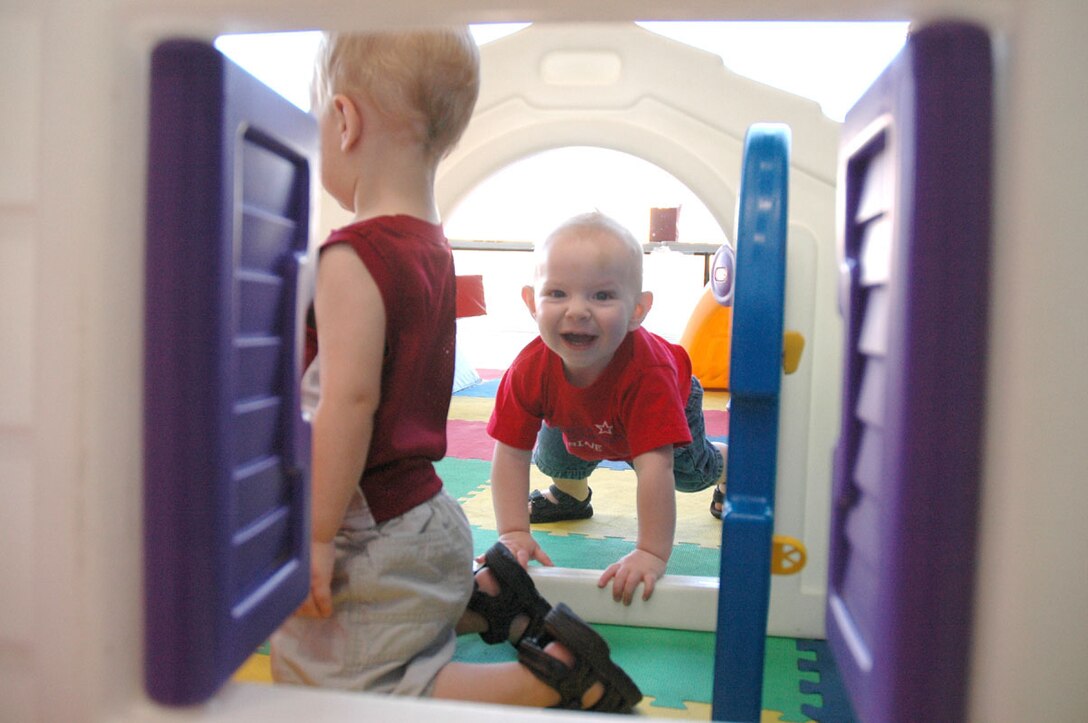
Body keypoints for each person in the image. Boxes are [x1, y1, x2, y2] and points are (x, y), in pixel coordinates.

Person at [270, 30, 640, 713]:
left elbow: (347, 404)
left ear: (344, 121)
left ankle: (552, 678)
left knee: (347, 687)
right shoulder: (429, 245)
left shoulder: (352, 256)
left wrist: (314, 537)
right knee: (392, 628)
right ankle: (488, 599)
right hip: (429, 519)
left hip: (370, 533)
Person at [486, 212, 729, 605]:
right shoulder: (530, 369)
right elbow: (510, 452)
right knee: (554, 456)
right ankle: (571, 496)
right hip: (581, 420)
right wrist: (512, 532)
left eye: (601, 296)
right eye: (557, 293)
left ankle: (725, 465)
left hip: (669, 404)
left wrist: (650, 552)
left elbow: (655, 467)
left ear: (637, 309)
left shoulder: (648, 373)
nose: (577, 310)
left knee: (688, 473)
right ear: (532, 301)